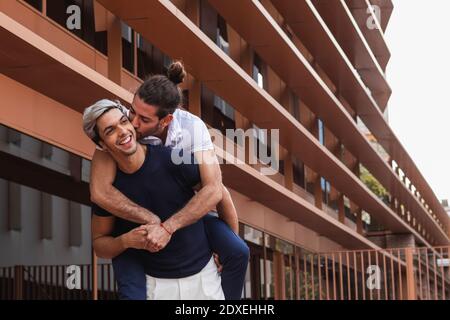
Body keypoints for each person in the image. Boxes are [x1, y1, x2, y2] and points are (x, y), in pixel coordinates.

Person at [87, 61, 248, 300]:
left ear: (165, 121)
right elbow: (100, 193)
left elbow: (215, 189)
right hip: (138, 225)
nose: (132, 123)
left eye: (143, 119)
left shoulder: (193, 129)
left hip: (188, 212)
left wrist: (222, 246)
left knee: (237, 251)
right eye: (131, 112)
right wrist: (149, 220)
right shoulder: (121, 137)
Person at [84, 102, 225, 299]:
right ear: (101, 145)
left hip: (205, 280)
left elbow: (217, 191)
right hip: (156, 286)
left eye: (124, 121)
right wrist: (125, 241)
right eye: (110, 131)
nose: (123, 131)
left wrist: (226, 246)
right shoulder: (110, 193)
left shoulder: (172, 159)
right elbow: (100, 245)